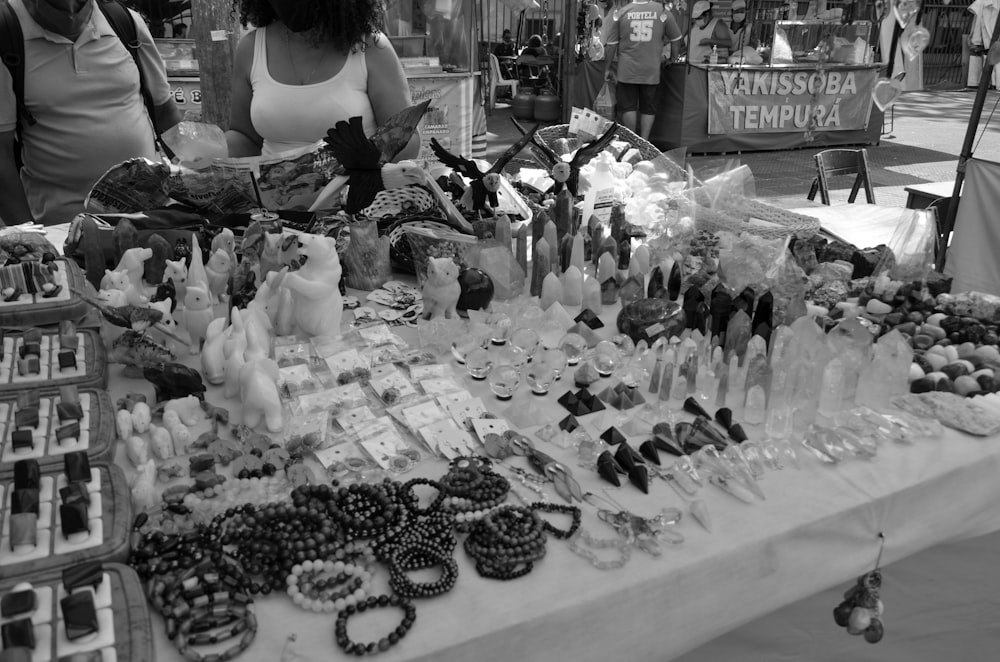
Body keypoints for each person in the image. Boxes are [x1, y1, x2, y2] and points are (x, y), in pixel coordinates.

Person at [0, 0, 182, 226]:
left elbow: (166, 115)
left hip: (151, 219)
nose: (70, 15)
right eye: (55, 8)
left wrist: (193, 194)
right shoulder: (7, 32)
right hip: (62, 229)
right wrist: (29, 235)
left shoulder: (126, 24)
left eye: (80, 7)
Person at [226, 0, 420, 159]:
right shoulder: (251, 48)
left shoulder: (371, 47)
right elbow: (245, 138)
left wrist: (367, 161)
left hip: (356, 201)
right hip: (273, 201)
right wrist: (210, 150)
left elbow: (406, 138)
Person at [604, 0, 682, 139]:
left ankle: (633, 139)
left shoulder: (623, 12)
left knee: (628, 107)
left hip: (627, 70)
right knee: (648, 107)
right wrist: (673, 58)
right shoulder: (662, 11)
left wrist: (607, 68)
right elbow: (676, 39)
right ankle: (644, 141)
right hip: (651, 70)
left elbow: (611, 46)